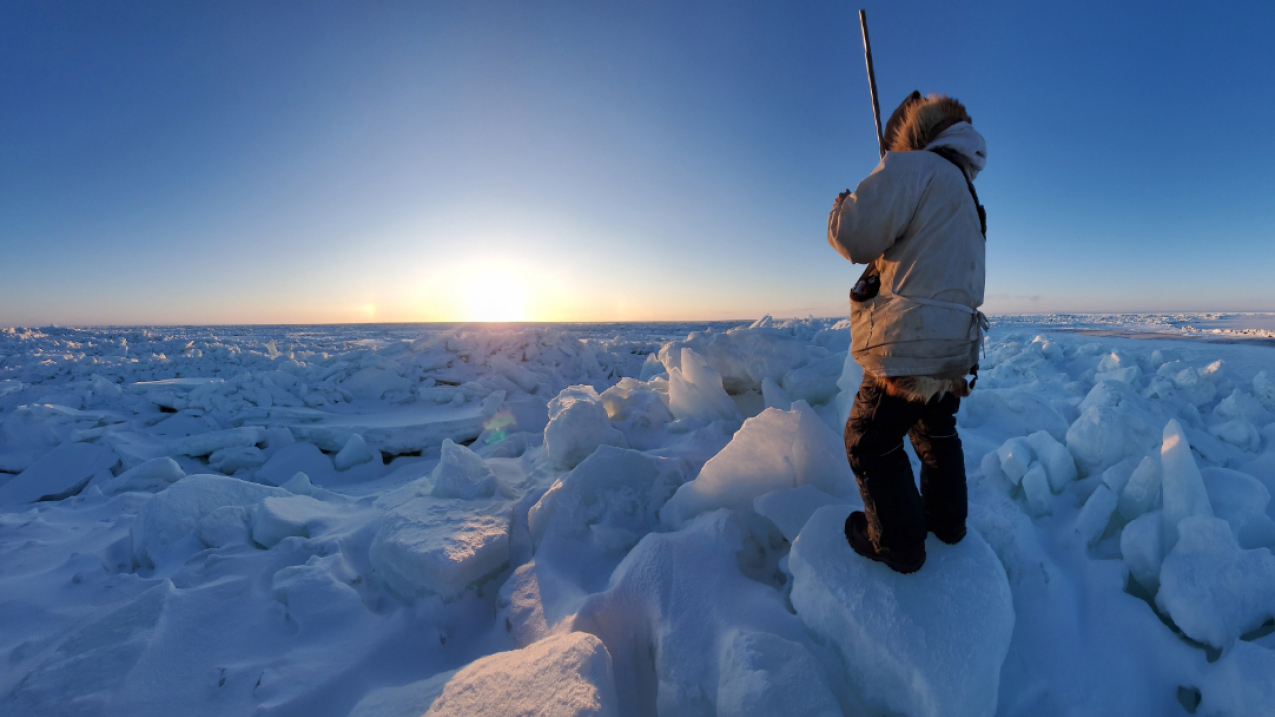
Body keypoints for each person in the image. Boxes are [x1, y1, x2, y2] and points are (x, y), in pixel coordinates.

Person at [826, 92, 987, 574]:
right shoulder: (966, 194)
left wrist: (843, 204)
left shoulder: (911, 168)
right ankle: (947, 523)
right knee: (936, 430)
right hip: (954, 346)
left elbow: (855, 236)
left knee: (867, 440)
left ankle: (898, 544)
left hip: (906, 342)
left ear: (916, 132)